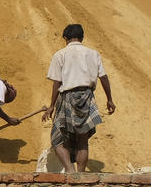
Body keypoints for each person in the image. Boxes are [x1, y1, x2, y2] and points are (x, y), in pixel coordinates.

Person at [42, 24, 116, 174]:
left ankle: (70, 170)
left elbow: (57, 82)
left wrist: (51, 106)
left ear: (65, 38)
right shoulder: (93, 54)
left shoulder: (60, 55)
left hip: (67, 97)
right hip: (87, 97)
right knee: (83, 140)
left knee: (57, 138)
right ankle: (81, 174)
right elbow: (103, 77)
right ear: (82, 38)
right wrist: (109, 99)